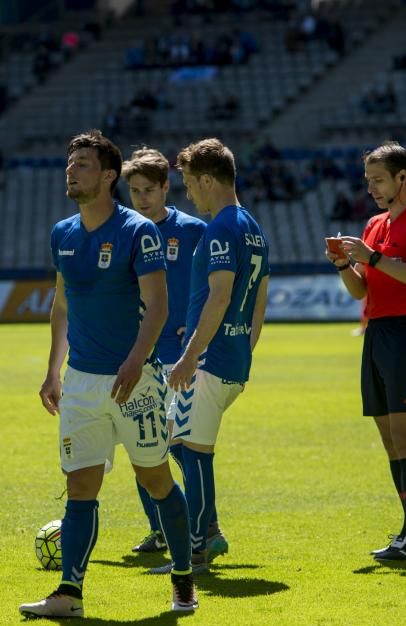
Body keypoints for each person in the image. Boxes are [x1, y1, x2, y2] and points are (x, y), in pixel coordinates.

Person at [19, 130, 198, 619]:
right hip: (79, 383)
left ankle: (183, 579)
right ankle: (69, 594)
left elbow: (158, 306)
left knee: (156, 479)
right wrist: (53, 371)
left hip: (135, 382)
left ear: (108, 175)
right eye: (69, 162)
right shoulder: (63, 233)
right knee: (80, 487)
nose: (71, 170)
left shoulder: (138, 230)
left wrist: (137, 360)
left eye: (82, 164)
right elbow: (61, 305)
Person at [150, 138, 269, 575]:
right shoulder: (252, 226)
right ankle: (207, 531)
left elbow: (219, 297)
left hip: (208, 361)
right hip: (231, 359)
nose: (189, 194)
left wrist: (191, 355)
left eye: (188, 184)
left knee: (191, 452)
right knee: (173, 440)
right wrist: (243, 348)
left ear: (206, 179)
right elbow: (260, 301)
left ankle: (197, 550)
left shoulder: (221, 227)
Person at [325, 141, 406, 560]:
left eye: (378, 180)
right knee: (389, 439)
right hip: (377, 334)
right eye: (368, 181)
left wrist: (372, 258)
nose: (372, 188)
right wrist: (345, 264)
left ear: (402, 178)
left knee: (405, 436)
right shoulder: (374, 225)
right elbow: (362, 289)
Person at [121, 147, 231, 560]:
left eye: (149, 189)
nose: (142, 198)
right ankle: (161, 529)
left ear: (167, 187)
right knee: (141, 443)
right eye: (134, 191)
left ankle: (209, 527)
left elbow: (216, 283)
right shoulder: (125, 230)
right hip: (139, 353)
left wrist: (195, 322)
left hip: (179, 355)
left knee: (184, 446)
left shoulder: (192, 230)